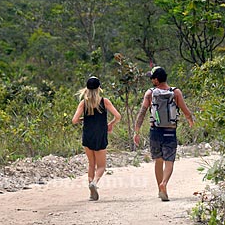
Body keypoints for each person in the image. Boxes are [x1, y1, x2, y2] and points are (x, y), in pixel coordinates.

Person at [133, 66, 194, 201]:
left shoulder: (150, 93)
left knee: (158, 160)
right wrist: (190, 121)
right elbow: (185, 110)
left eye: (152, 78)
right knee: (169, 161)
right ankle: (164, 183)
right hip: (170, 131)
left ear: (156, 80)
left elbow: (142, 113)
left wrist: (136, 131)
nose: (151, 80)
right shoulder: (176, 92)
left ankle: (159, 189)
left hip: (155, 131)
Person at [72, 76, 121, 201]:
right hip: (100, 135)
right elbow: (118, 116)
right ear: (99, 88)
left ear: (86, 89)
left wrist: (85, 119)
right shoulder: (105, 102)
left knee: (91, 164)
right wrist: (111, 124)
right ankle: (94, 182)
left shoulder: (84, 103)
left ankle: (91, 192)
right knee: (101, 166)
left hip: (88, 135)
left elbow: (74, 120)